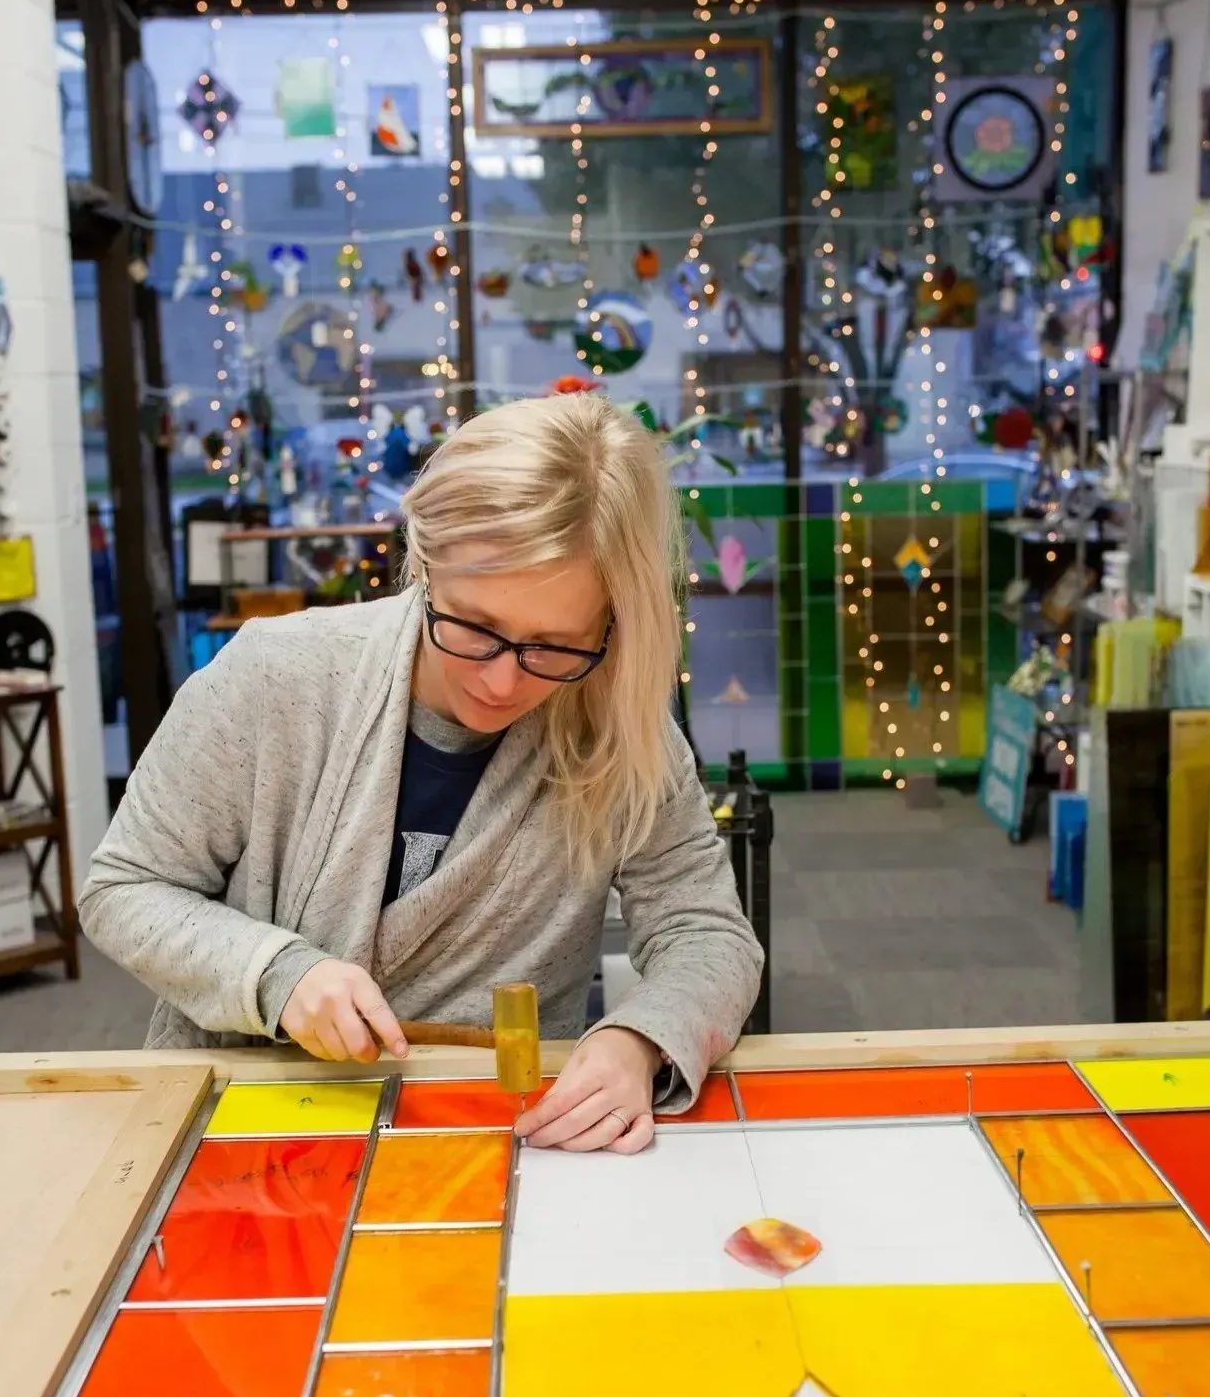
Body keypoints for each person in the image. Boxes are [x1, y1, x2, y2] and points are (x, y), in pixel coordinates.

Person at [79, 392, 762, 1152]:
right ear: (423, 563)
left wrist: (641, 1038)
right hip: (241, 1121)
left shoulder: (620, 728)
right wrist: (276, 973)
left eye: (555, 646)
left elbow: (708, 936)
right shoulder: (276, 678)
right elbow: (123, 887)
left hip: (500, 1131)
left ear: (612, 621)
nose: (503, 684)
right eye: (475, 626)